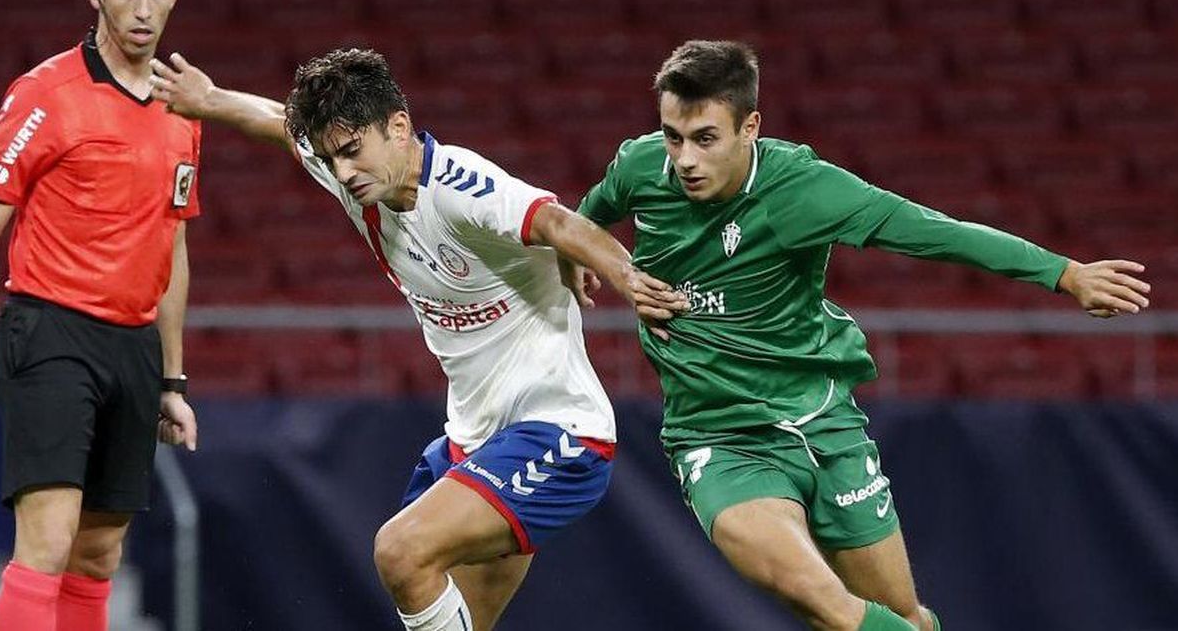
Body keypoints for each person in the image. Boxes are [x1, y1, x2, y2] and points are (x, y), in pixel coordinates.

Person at [569, 40, 1152, 631]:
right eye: (673, 136)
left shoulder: (803, 190)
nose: (685, 158)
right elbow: (581, 221)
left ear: (750, 126)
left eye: (705, 139)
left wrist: (1064, 273)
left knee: (902, 619)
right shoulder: (642, 167)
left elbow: (932, 231)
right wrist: (587, 263)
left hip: (824, 425)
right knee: (815, 593)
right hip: (720, 439)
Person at [148, 48, 679, 630]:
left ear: (398, 127)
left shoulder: (459, 186)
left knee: (400, 550)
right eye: (332, 157)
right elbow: (280, 124)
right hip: (475, 437)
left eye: (352, 151)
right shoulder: (354, 175)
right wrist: (210, 100)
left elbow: (556, 222)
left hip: (559, 431)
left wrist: (626, 278)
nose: (343, 171)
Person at [0, 0, 200, 631]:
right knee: (48, 539)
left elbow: (170, 247)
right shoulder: (44, 92)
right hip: (52, 330)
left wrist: (172, 379)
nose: (142, 10)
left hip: (135, 346)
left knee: (99, 552)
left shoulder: (185, 108)